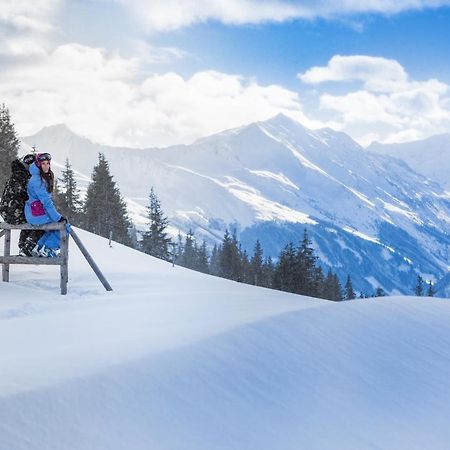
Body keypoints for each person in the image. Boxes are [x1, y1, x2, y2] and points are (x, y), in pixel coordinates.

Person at [24, 152, 68, 257]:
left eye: (48, 163)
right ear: (39, 164)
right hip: (36, 214)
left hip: (37, 211)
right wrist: (58, 217)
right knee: (65, 226)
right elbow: (46, 202)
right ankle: (48, 248)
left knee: (53, 228)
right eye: (43, 163)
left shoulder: (40, 177)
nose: (46, 166)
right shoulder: (37, 180)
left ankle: (40, 248)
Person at [0, 153, 44, 256]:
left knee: (31, 216)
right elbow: (29, 197)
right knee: (41, 220)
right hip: (14, 214)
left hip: (5, 212)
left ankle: (23, 245)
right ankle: (27, 247)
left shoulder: (16, 174)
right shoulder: (25, 178)